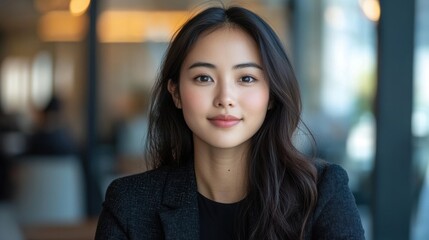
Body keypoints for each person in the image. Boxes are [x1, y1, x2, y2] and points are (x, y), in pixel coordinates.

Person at [95, 5, 365, 240]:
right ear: (175, 93)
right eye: (204, 78)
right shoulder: (130, 204)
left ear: (271, 95)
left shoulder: (322, 193)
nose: (225, 98)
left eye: (246, 78)